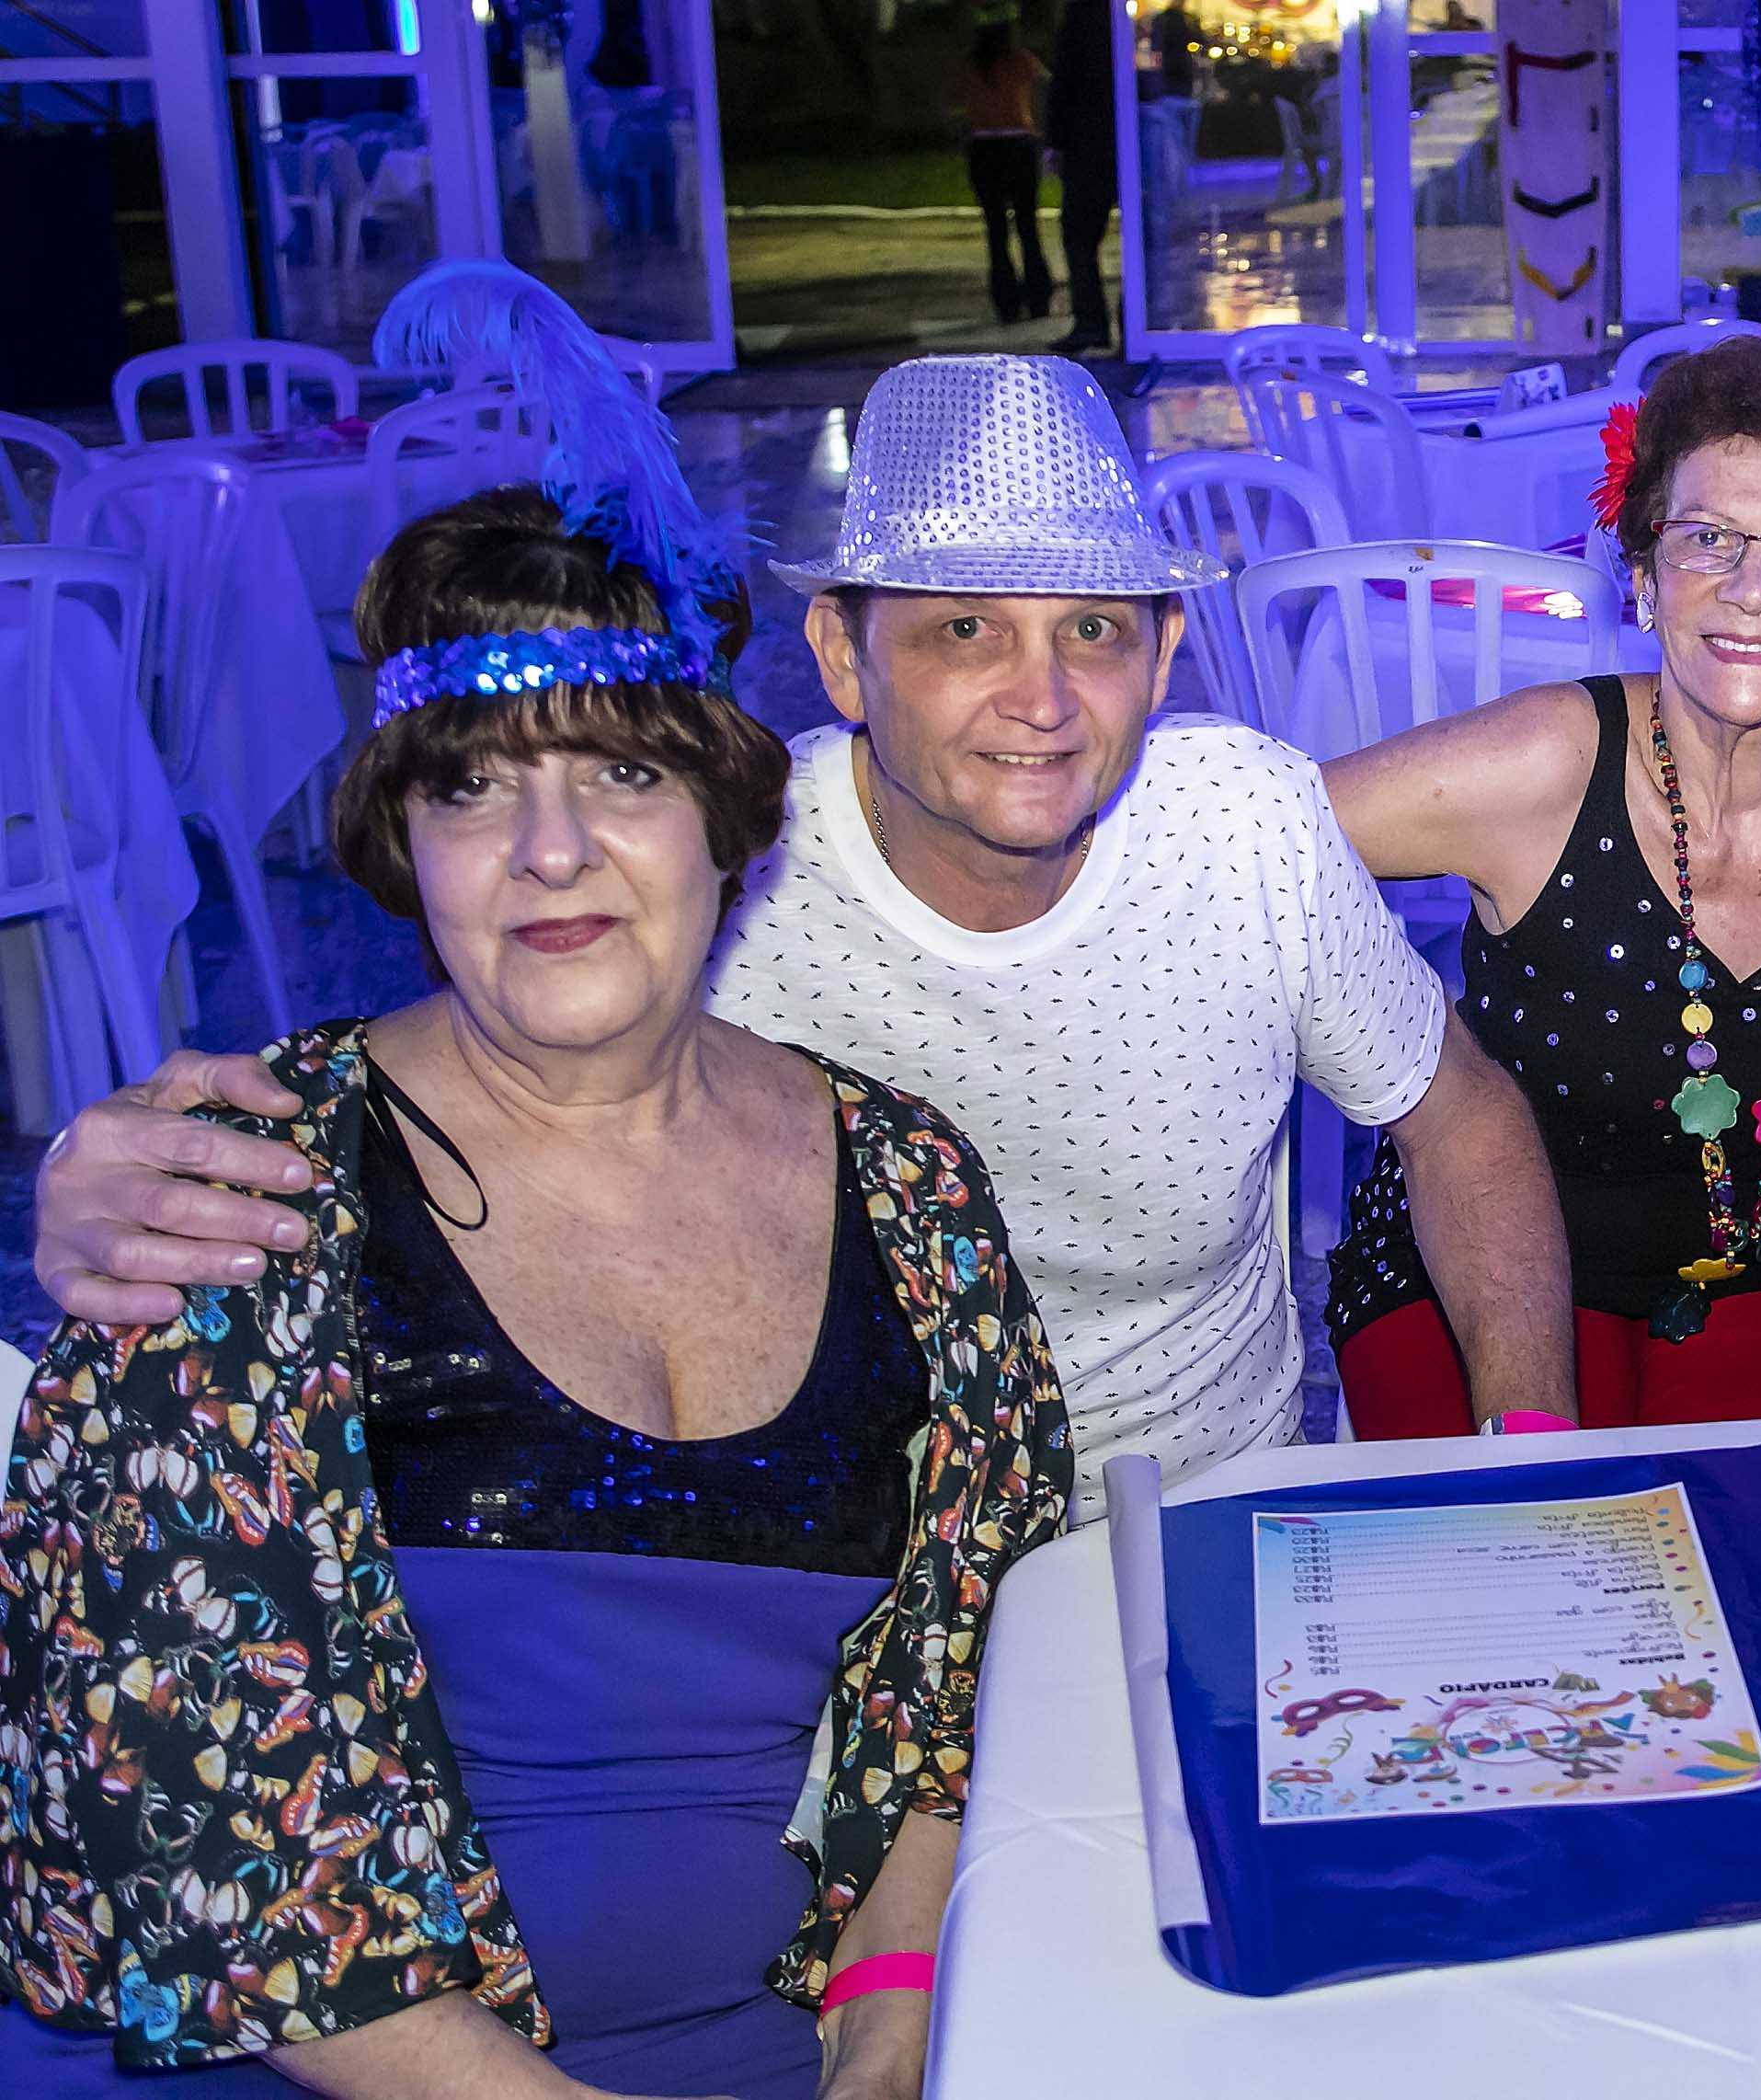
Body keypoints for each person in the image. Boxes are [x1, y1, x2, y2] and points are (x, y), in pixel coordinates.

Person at [30, 354, 1575, 1515]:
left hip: (1208, 1534)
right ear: (841, 652)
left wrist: (1526, 1453)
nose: (1043, 700)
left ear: (1166, 654)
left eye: (1094, 628)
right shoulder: (720, 867)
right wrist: (135, 1173)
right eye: (962, 627)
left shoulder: (1250, 821)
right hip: (860, 1582)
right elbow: (480, 1063)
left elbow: (1465, 1120)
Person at [0, 477, 1068, 2096]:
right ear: (404, 844)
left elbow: (969, 1665)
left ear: (724, 815)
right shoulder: (236, 1199)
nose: (550, 850)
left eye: (623, 773)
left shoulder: (909, 1183)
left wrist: (891, 2005)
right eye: (472, 789)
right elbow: (215, 1852)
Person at [1320, 332, 1761, 1433]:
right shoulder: (1542, 763)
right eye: (1707, 539)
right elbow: (1244, 839)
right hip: (1473, 1266)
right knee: (1492, 1533)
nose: (1752, 588)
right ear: (1644, 579)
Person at [955, 8, 1053, 328]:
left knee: (996, 229)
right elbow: (1045, 87)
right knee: (1027, 225)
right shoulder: (1020, 60)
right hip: (1019, 145)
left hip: (984, 148)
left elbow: (954, 105)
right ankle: (1038, 298)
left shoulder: (970, 64)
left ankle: (1006, 301)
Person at [1043, 0, 1121, 355]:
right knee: (1139, 236)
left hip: (1087, 144)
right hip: (1119, 139)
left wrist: (1056, 140)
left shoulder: (1079, 18)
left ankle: (1092, 322)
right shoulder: (1121, 19)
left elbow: (1065, 81)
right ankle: (1130, 322)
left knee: (1079, 236)